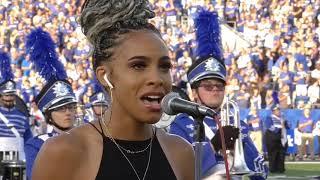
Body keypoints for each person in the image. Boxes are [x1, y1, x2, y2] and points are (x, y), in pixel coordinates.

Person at [31, 0, 194, 180]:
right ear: (104, 76)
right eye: (139, 65)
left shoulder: (181, 152)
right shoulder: (65, 152)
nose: (156, 79)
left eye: (164, 67)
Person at [169, 9, 267, 180]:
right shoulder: (181, 125)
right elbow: (177, 170)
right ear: (194, 92)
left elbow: (262, 174)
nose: (215, 90)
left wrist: (243, 145)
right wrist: (213, 146)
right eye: (208, 86)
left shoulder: (238, 124)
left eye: (220, 86)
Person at [24, 28, 78, 180]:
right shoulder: (36, 145)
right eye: (61, 109)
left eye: (71, 107)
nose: (68, 112)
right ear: (49, 114)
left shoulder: (89, 137)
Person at [0, 51, 33, 161]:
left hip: (16, 160)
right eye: (6, 95)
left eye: (11, 95)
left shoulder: (22, 116)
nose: (9, 98)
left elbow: (28, 140)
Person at [264, 105, 288, 173]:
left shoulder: (282, 118)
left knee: (281, 154)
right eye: (277, 110)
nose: (279, 111)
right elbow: (269, 126)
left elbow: (288, 126)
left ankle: (281, 169)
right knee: (273, 154)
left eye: (279, 110)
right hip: (272, 137)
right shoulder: (269, 117)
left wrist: (285, 123)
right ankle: (272, 169)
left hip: (281, 137)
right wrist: (279, 129)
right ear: (273, 111)